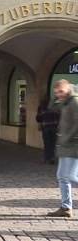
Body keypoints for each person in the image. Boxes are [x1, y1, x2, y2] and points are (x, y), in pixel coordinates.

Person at [47, 80, 78, 218]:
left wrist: (68, 138)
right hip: (65, 146)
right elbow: (51, 107)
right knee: (62, 176)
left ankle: (66, 207)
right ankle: (66, 208)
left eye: (61, 91)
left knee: (70, 176)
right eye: (56, 92)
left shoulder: (74, 102)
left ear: (68, 89)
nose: (59, 94)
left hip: (73, 145)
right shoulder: (65, 102)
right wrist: (57, 96)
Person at [36, 97, 60, 164]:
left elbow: (38, 118)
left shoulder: (41, 107)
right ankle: (52, 158)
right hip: (54, 127)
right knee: (53, 143)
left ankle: (46, 158)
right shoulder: (55, 107)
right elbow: (59, 117)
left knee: (46, 143)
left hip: (46, 127)